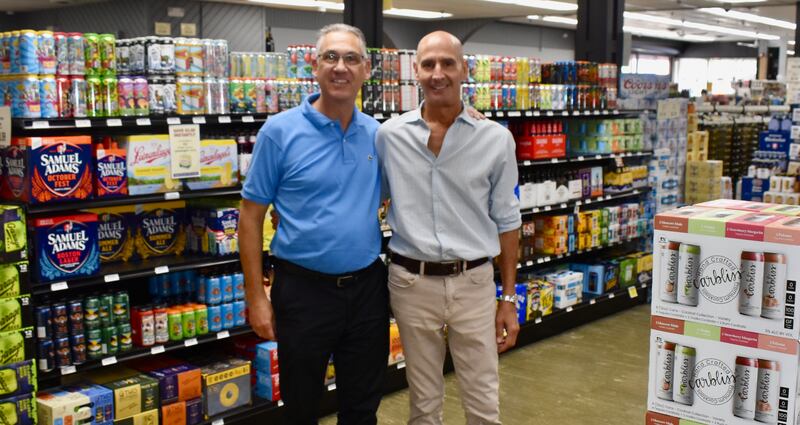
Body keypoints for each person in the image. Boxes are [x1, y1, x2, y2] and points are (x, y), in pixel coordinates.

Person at [240, 23, 388, 425]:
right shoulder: (280, 132)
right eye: (331, 57)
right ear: (314, 66)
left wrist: (466, 113)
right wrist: (257, 297)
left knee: (362, 408)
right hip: (303, 292)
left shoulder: (379, 135)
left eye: (351, 58)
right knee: (301, 407)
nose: (341, 67)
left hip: (367, 292)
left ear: (366, 69)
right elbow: (250, 217)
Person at [376, 31, 522, 425]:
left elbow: (509, 223)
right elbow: (367, 196)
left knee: (482, 401)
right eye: (428, 64)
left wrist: (508, 299)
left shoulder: (495, 139)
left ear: (464, 70)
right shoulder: (389, 136)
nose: (437, 73)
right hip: (410, 282)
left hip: (473, 282)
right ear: (416, 72)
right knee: (423, 403)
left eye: (447, 63)